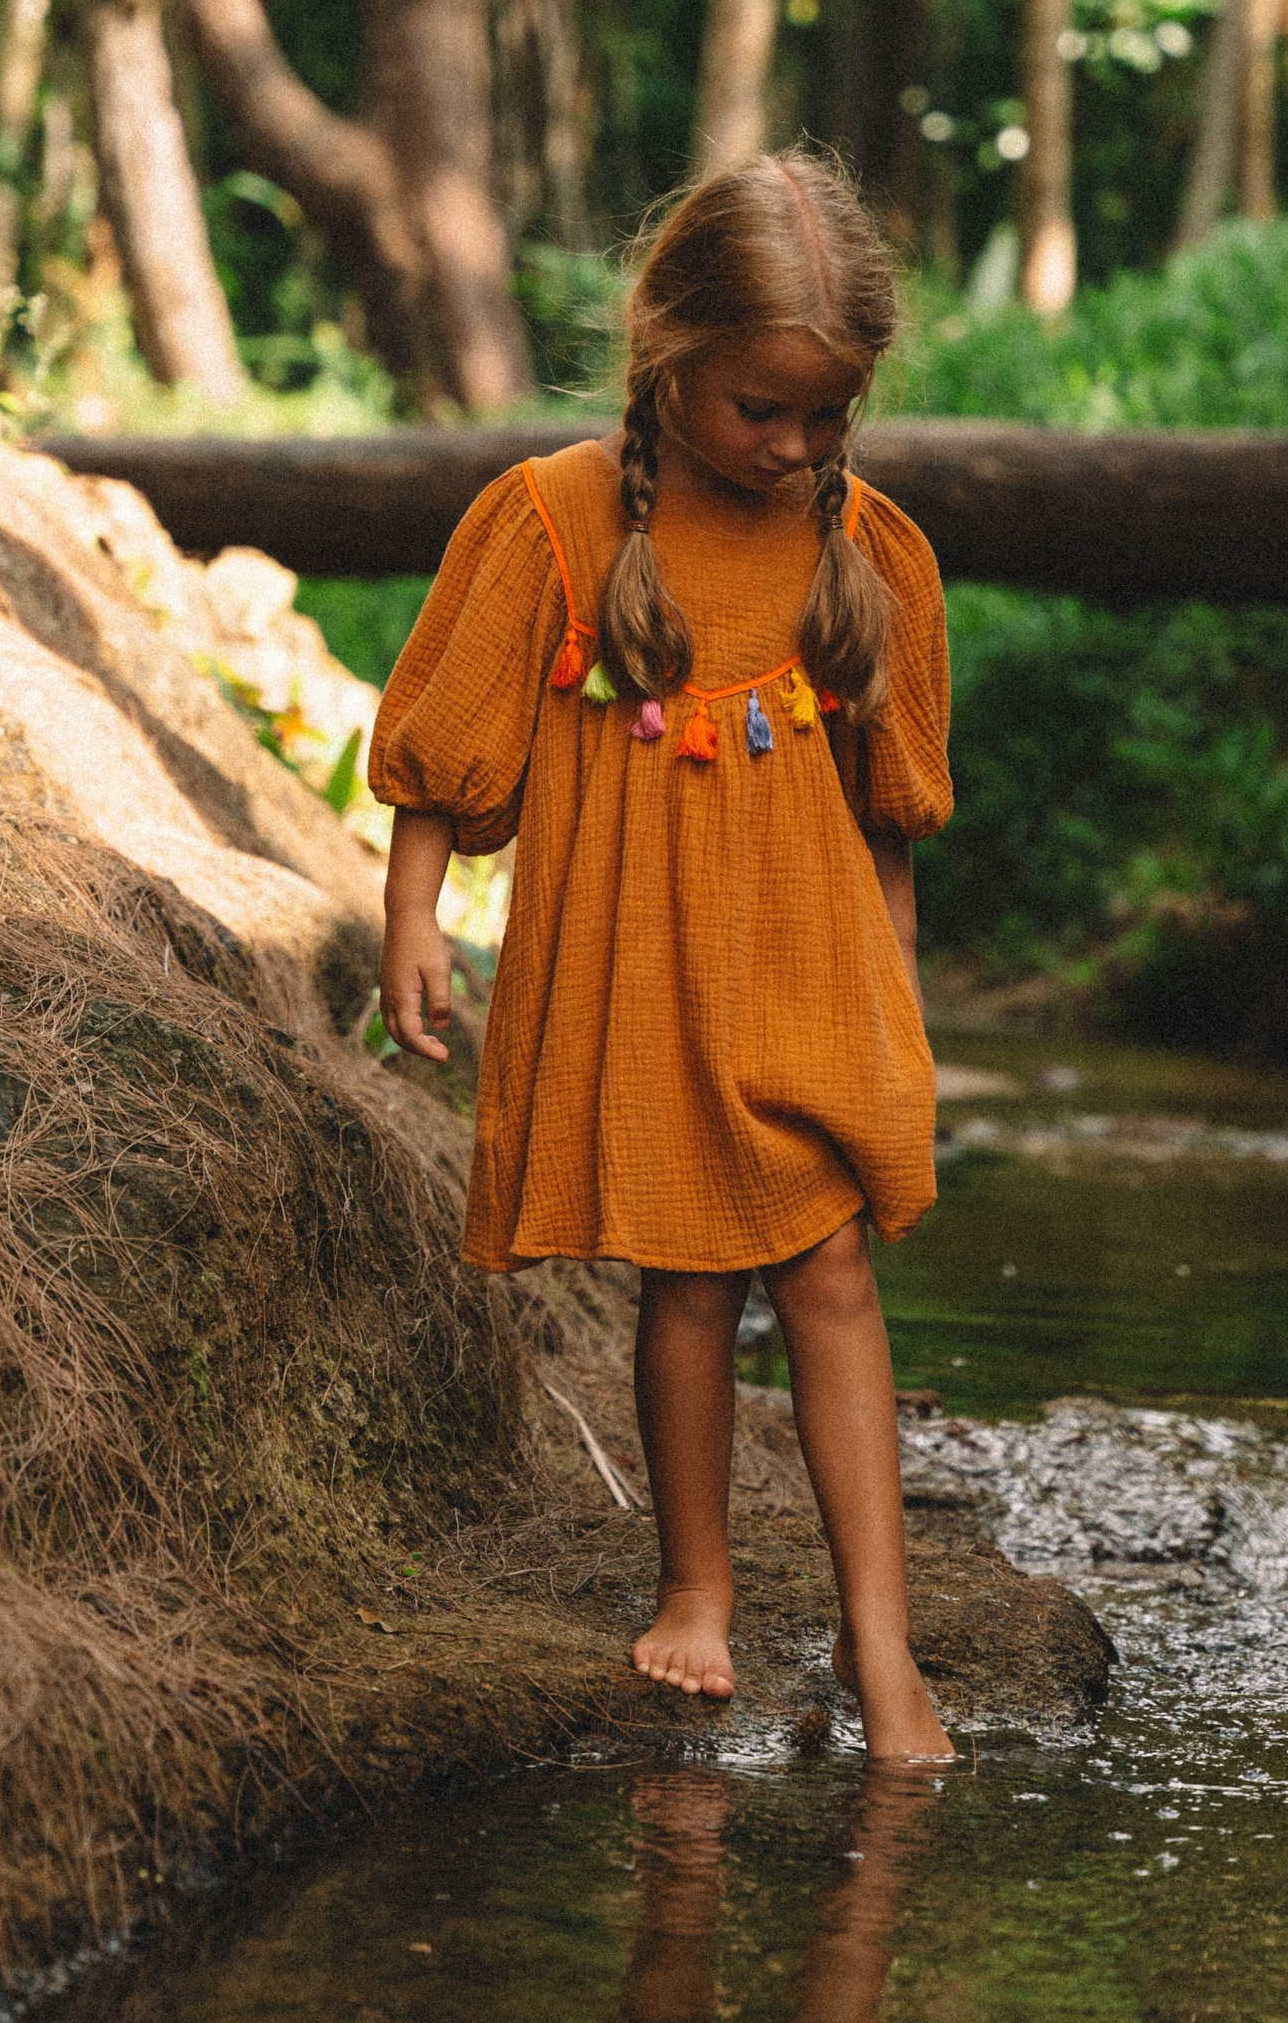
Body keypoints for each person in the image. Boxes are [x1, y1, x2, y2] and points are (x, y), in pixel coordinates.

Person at [370, 151, 954, 1762]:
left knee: (831, 1274)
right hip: (653, 977)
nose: (796, 446)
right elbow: (448, 740)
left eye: (825, 417)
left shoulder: (868, 547)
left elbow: (887, 812)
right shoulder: (555, 523)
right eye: (762, 410)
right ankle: (695, 1586)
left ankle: (880, 1643)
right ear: (669, 355)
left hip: (817, 962)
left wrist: (900, 995)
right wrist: (413, 913)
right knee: (693, 1281)